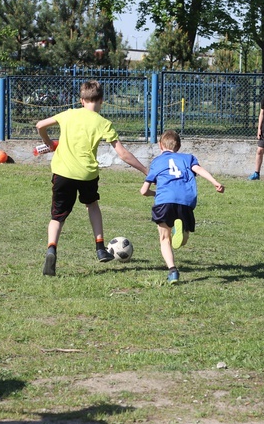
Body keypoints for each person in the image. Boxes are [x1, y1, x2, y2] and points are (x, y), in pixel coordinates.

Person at [36, 80, 147, 276]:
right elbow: (123, 154)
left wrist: (50, 143)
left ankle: (51, 248)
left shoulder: (68, 114)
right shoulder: (104, 123)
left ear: (81, 100)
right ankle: (100, 248)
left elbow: (40, 125)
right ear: (102, 100)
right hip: (87, 174)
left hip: (62, 172)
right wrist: (147, 171)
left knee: (57, 216)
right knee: (92, 205)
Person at [140, 130, 225, 284]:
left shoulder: (157, 162)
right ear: (178, 146)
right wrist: (215, 182)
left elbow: (143, 191)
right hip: (186, 201)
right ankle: (183, 230)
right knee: (183, 240)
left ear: (160, 145)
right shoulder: (188, 158)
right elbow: (199, 170)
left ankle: (172, 271)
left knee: (165, 239)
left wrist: (156, 194)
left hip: (165, 201)